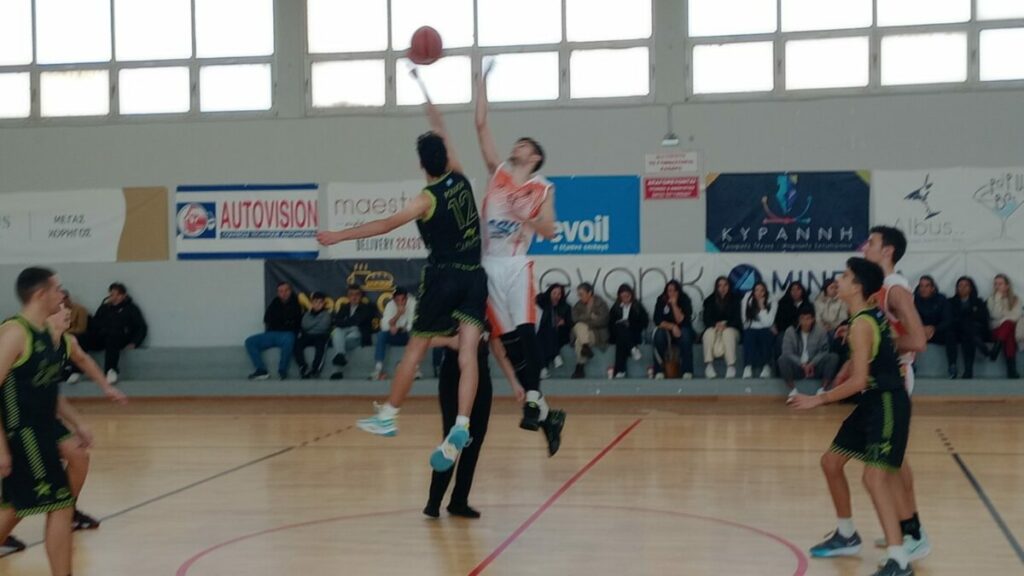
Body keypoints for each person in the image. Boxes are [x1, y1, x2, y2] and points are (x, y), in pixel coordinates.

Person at [317, 73, 488, 473]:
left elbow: (383, 226)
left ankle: (389, 415)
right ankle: (462, 424)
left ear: (421, 164)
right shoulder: (462, 177)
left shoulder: (425, 199)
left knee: (415, 348)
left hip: (443, 277)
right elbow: (442, 128)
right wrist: (426, 89)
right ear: (445, 158)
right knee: (468, 353)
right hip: (474, 276)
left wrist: (338, 235)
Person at [811, 226, 929, 564]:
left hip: (893, 382)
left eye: (872, 243)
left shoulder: (894, 289)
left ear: (887, 251)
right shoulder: (874, 295)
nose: (865, 247)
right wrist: (857, 353)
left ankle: (911, 534)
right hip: (876, 384)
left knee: (886, 468)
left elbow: (918, 341)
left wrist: (874, 346)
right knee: (879, 464)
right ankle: (899, 532)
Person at [791, 257, 916, 576]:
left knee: (874, 478)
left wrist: (818, 399)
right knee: (831, 462)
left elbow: (859, 381)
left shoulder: (862, 323)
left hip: (887, 402)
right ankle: (847, 534)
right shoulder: (865, 315)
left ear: (858, 287)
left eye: (845, 276)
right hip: (873, 401)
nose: (839, 280)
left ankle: (899, 560)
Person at [473, 60, 565, 445]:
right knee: (508, 343)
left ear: (535, 158)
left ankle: (533, 400)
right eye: (517, 144)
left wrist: (525, 214)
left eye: (523, 146)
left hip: (515, 264)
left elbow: (550, 229)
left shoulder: (542, 187)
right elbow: (480, 125)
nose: (516, 146)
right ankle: (545, 412)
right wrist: (482, 81)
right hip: (488, 264)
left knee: (526, 332)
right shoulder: (498, 174)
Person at [0, 268, 76, 575]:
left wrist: (76, 424)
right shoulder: (15, 333)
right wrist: (1, 447)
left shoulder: (45, 332)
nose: (62, 295)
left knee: (13, 509)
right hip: (23, 436)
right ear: (40, 294)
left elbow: (47, 390)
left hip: (43, 433)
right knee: (61, 504)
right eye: (57, 289)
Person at [89, 282, 147, 384]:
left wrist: (134, 343)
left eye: (118, 295)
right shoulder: (104, 308)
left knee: (112, 336)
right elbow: (95, 324)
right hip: (103, 337)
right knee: (80, 339)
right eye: (112, 295)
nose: (114, 297)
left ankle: (111, 370)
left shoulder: (131, 309)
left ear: (124, 295)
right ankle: (74, 370)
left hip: (121, 338)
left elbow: (141, 327)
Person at [245, 282, 302, 380]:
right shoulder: (275, 302)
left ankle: (282, 370)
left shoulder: (296, 303)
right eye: (281, 291)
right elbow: (267, 319)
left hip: (287, 335)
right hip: (272, 333)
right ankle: (261, 370)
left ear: (290, 291)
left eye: (286, 290)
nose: (284, 293)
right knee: (250, 341)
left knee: (289, 338)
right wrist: (284, 321)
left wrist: (280, 320)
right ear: (278, 293)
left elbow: (294, 321)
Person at [779, 305, 839, 398]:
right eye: (802, 318)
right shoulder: (790, 331)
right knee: (782, 359)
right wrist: (802, 364)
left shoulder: (820, 331)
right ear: (798, 319)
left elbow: (824, 350)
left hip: (815, 367)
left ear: (813, 319)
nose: (805, 322)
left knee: (833, 357)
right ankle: (793, 390)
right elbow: (787, 352)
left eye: (808, 318)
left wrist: (812, 363)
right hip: (797, 367)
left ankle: (822, 389)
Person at [328, 285, 377, 380]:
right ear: (348, 296)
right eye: (351, 294)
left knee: (339, 339)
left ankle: (337, 370)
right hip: (345, 336)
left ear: (361, 296)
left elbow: (357, 321)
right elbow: (336, 322)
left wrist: (345, 322)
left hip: (359, 336)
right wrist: (348, 323)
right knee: (337, 331)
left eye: (357, 294)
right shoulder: (344, 307)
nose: (354, 297)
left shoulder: (367, 307)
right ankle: (340, 355)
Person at [948, 276, 990, 380]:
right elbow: (950, 318)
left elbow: (983, 318)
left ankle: (968, 370)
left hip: (974, 330)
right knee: (963, 331)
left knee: (968, 334)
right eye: (960, 286)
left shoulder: (978, 302)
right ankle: (982, 349)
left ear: (971, 288)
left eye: (966, 285)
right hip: (957, 331)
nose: (962, 288)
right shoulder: (950, 302)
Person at [651, 280, 695, 380]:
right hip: (667, 329)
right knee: (659, 335)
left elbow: (682, 321)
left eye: (675, 291)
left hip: (682, 329)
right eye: (669, 291)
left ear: (679, 291)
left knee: (685, 335)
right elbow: (658, 320)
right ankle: (659, 370)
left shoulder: (685, 300)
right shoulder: (661, 300)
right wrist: (672, 327)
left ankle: (687, 370)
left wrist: (674, 305)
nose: (672, 293)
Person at [372, 288, 417, 381]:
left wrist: (398, 327)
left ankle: (415, 368)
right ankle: (378, 368)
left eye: (403, 300)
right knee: (381, 335)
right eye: (397, 300)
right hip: (394, 335)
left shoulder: (413, 304)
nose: (400, 302)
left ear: (406, 299)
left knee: (415, 335)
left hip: (408, 335)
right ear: (393, 299)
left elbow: (412, 324)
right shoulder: (390, 305)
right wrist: (398, 315)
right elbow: (384, 325)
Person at [913, 276, 954, 378]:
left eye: (927, 286)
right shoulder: (913, 300)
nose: (923, 289)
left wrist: (934, 328)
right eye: (921, 286)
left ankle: (952, 366)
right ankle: (910, 365)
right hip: (919, 332)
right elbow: (909, 319)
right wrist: (921, 329)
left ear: (932, 288)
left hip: (937, 332)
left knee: (950, 334)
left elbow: (948, 319)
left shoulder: (941, 299)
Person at [701, 276, 742, 379]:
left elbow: (738, 319)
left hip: (731, 328)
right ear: (716, 287)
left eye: (725, 285)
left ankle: (731, 366)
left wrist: (726, 325)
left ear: (729, 286)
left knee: (728, 333)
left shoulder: (736, 300)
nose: (723, 288)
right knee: (708, 333)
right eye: (720, 286)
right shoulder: (709, 300)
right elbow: (706, 319)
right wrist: (716, 325)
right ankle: (709, 365)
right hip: (714, 327)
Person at [608, 284, 649, 379]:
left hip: (633, 333)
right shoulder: (615, 307)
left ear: (631, 296)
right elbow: (610, 324)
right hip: (618, 333)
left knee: (621, 341)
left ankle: (620, 370)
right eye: (623, 297)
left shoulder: (637, 306)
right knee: (620, 328)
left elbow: (644, 322)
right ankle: (633, 349)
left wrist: (630, 324)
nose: (625, 299)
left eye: (627, 296)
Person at [570, 283, 610, 379]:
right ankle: (585, 347)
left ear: (589, 293)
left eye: (581, 294)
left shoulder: (600, 304)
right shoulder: (578, 305)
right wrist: (590, 317)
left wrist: (585, 321)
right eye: (578, 294)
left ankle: (580, 367)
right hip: (584, 333)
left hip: (596, 334)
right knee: (579, 326)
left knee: (579, 338)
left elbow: (603, 320)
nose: (579, 297)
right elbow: (575, 319)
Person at [985, 274, 1020, 379]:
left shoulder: (1016, 299)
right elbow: (994, 315)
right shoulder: (991, 299)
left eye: (1000, 284)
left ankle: (996, 349)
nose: (997, 286)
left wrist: (1004, 319)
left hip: (1008, 330)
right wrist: (998, 299)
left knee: (1008, 327)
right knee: (1008, 326)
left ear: (1007, 286)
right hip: (995, 331)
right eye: (995, 284)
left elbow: (1016, 316)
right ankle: (1011, 369)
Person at [535, 283, 572, 379]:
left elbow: (571, 322)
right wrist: (550, 303)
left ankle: (543, 369)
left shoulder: (565, 307)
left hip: (561, 334)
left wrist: (563, 322)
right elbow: (538, 298)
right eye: (554, 293)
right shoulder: (545, 304)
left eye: (559, 294)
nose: (556, 296)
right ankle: (555, 355)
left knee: (543, 336)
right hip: (546, 334)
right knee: (544, 334)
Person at [741, 281, 776, 379]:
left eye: (762, 291)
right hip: (750, 328)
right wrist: (763, 323)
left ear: (765, 292)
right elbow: (745, 322)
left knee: (766, 334)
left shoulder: (772, 300)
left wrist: (762, 307)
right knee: (749, 334)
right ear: (753, 291)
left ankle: (766, 366)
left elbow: (769, 322)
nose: (759, 293)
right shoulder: (747, 298)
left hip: (765, 329)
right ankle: (748, 366)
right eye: (756, 290)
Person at [294, 291, 332, 379]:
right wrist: (316, 322)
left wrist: (310, 325)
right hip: (307, 335)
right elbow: (304, 325)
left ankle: (315, 369)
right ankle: (303, 367)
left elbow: (323, 327)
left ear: (323, 303)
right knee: (297, 344)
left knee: (321, 346)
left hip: (320, 335)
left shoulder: (326, 314)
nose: (317, 305)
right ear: (312, 303)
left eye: (320, 302)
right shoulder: (307, 314)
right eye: (315, 302)